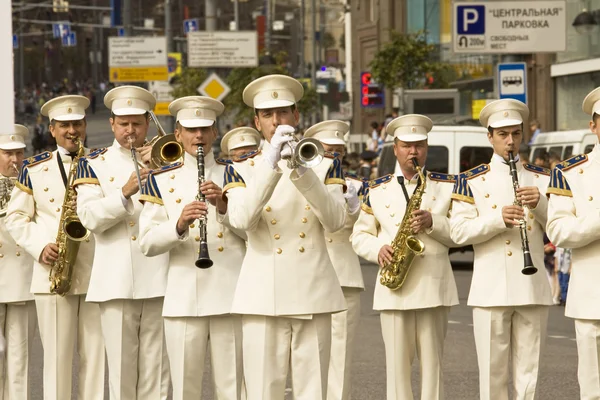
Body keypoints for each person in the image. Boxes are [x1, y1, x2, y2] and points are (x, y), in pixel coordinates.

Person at [222, 74, 347, 400]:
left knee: (313, 392)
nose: (276, 121)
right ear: (257, 121)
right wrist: (270, 164)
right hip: (264, 293)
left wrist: (302, 172)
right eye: (268, 115)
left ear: (296, 116)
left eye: (283, 113)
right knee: (263, 392)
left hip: (314, 290)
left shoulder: (325, 164)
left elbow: (335, 221)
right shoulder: (241, 167)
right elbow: (242, 219)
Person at [138, 96, 246, 399]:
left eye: (205, 129)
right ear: (178, 134)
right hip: (184, 296)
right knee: (185, 387)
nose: (198, 136)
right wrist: (179, 225)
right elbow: (147, 242)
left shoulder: (235, 173)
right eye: (190, 129)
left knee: (232, 387)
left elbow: (253, 232)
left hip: (230, 292)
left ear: (215, 132)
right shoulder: (159, 179)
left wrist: (223, 206)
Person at [449, 99, 553, 400]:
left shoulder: (542, 178)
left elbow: (559, 229)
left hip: (531, 287)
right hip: (491, 288)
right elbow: (458, 232)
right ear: (490, 137)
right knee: (493, 374)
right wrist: (497, 219)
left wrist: (542, 205)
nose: (511, 141)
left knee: (529, 373)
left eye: (516, 134)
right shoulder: (471, 181)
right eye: (504, 134)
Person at [351, 114, 459, 400]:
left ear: (427, 147)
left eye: (420, 145)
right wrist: (378, 249)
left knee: (433, 369)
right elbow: (359, 236)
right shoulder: (375, 190)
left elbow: (460, 234)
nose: (414, 152)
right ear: (395, 148)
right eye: (407, 145)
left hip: (433, 287)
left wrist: (433, 222)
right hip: (394, 289)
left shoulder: (447, 186)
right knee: (396, 372)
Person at [73, 86, 170, 400]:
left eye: (137, 124)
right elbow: (89, 218)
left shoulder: (168, 159)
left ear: (147, 125)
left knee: (157, 372)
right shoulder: (94, 164)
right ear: (112, 124)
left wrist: (161, 170)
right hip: (115, 279)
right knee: (121, 370)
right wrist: (123, 193)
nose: (131, 130)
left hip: (161, 276)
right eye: (124, 123)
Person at [6, 95, 105, 400]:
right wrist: (40, 246)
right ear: (52, 130)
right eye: (64, 125)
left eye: (77, 124)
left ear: (85, 125)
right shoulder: (34, 168)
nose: (71, 130)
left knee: (96, 360)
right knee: (57, 361)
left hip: (97, 271)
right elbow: (16, 218)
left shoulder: (103, 162)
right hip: (53, 273)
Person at [304, 120, 365, 400]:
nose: (335, 158)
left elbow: (361, 227)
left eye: (339, 152)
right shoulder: (301, 182)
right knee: (309, 357)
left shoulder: (354, 185)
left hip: (343, 276)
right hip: (308, 276)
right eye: (329, 151)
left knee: (341, 357)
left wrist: (352, 206)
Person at [546, 86, 600, 398]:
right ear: (592, 126)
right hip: (593, 294)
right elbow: (559, 231)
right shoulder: (570, 172)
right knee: (592, 388)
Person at [0, 125, 37, 399]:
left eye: (19, 152)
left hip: (24, 278)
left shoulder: (35, 182)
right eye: (7, 153)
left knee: (20, 358)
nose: (15, 159)